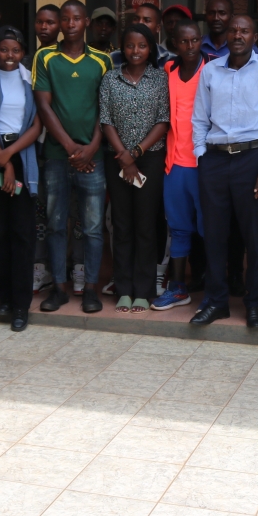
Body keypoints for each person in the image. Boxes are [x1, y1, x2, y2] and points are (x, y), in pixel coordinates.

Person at [190, 15, 258, 326]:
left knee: (254, 237)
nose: (238, 35)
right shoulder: (211, 69)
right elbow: (199, 120)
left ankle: (253, 303)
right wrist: (202, 157)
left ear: (255, 36)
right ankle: (216, 302)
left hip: (251, 160)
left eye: (244, 30)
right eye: (233, 30)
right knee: (214, 236)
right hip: (214, 161)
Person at [35, 0, 113, 314]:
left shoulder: (102, 60)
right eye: (64, 19)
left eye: (76, 18)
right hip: (56, 156)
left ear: (86, 23)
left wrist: (92, 147)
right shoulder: (45, 56)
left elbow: (106, 108)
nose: (69, 24)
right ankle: (58, 288)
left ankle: (91, 289)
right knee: (56, 224)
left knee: (93, 227)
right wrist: (70, 148)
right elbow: (44, 106)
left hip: (94, 157)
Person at [0, 26, 42, 331]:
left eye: (15, 50)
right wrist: (3, 163)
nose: (9, 56)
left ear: (23, 52)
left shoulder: (33, 81)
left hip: (21, 157)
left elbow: (37, 125)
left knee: (23, 235)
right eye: (3, 50)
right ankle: (4, 298)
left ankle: (21, 306)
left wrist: (11, 158)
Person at [100, 23, 171, 313]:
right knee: (122, 224)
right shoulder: (110, 79)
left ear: (150, 48)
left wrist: (137, 153)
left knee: (145, 225)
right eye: (130, 45)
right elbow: (106, 120)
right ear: (122, 47)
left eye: (142, 46)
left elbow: (163, 121)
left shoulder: (159, 79)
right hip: (116, 159)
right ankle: (124, 287)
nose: (136, 51)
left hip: (150, 158)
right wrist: (124, 156)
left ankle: (144, 290)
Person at [152, 22, 209, 311]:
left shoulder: (212, 70)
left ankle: (214, 291)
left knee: (210, 228)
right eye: (184, 41)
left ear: (201, 41)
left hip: (204, 165)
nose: (190, 46)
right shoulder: (168, 71)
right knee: (179, 228)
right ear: (175, 43)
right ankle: (177, 289)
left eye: (195, 40)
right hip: (174, 164)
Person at [30, 3, 62, 293]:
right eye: (40, 22)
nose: (44, 28)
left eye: (50, 23)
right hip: (35, 147)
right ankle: (40, 268)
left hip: (61, 147)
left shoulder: (65, 57)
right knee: (40, 211)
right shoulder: (32, 58)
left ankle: (62, 270)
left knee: (63, 213)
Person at [110, 3, 173, 68]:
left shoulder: (170, 59)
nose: (140, 23)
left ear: (158, 28)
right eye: (136, 19)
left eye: (147, 20)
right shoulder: (113, 57)